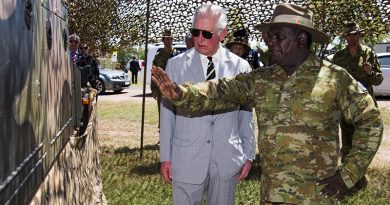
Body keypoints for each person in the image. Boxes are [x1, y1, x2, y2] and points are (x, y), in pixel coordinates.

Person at [152, 3, 383, 204]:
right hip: (273, 196)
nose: (270, 43)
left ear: (301, 38)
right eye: (269, 36)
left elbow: (371, 121)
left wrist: (349, 173)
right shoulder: (262, 79)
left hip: (318, 196)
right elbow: (219, 90)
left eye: (278, 37)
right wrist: (181, 93)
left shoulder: (334, 78)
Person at [159, 4, 256, 205]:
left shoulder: (241, 67)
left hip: (227, 159)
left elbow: (246, 115)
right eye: (195, 32)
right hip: (186, 157)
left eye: (207, 34)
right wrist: (165, 157)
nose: (200, 39)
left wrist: (249, 153)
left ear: (223, 34)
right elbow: (167, 114)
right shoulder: (175, 65)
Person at [332, 22, 383, 191]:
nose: (351, 37)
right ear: (344, 37)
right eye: (348, 35)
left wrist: (370, 73)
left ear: (359, 35)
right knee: (347, 142)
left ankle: (360, 176)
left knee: (364, 143)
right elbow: (332, 81)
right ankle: (348, 178)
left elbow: (378, 80)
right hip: (345, 107)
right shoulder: (338, 56)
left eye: (354, 34)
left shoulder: (368, 53)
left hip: (364, 108)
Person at [151, 29, 179, 128]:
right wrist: (154, 89)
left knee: (176, 112)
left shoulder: (177, 55)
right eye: (166, 39)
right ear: (163, 40)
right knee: (162, 112)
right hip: (161, 90)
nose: (168, 41)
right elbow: (153, 73)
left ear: (172, 40)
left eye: (170, 39)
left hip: (175, 88)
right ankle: (162, 134)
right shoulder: (158, 57)